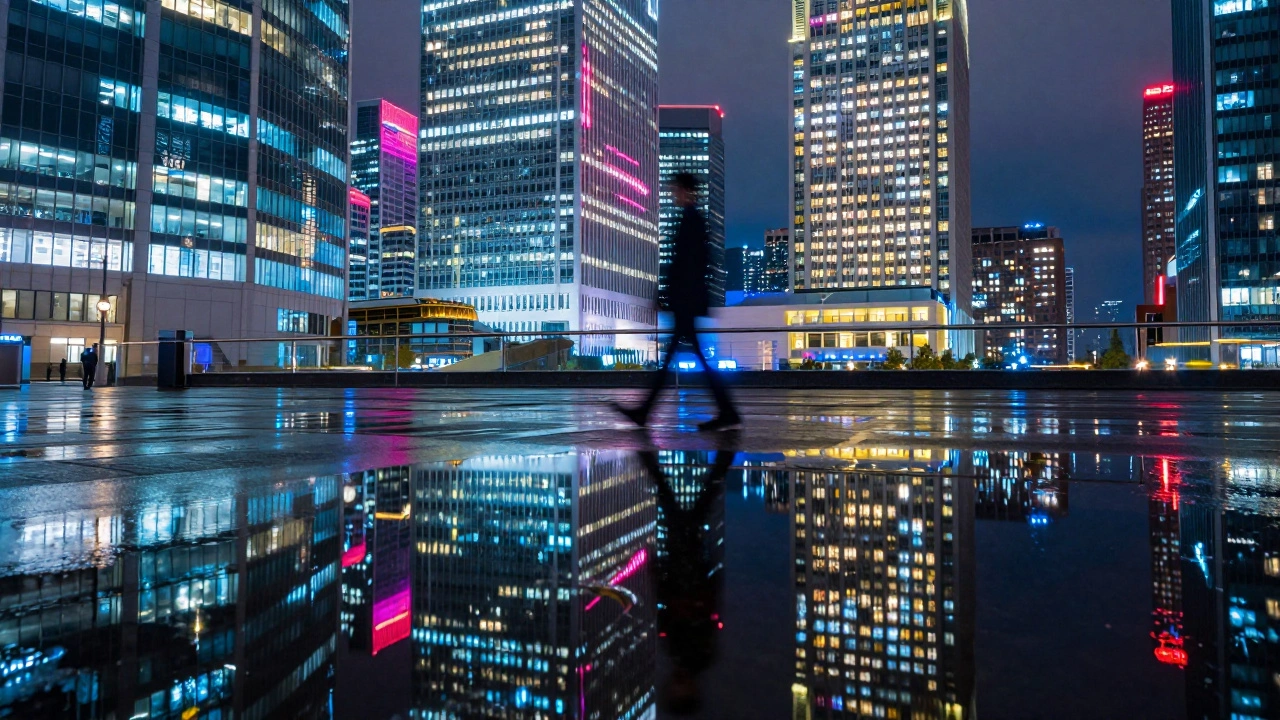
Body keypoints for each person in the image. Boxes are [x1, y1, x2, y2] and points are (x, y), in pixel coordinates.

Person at [613, 172, 740, 431]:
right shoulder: (693, 220)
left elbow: (687, 266)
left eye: (676, 189)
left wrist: (671, 299)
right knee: (684, 357)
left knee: (676, 358)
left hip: (685, 301)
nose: (674, 194)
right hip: (687, 301)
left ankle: (646, 412)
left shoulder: (691, 221)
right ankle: (725, 411)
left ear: (686, 191)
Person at [637, 444, 736, 715]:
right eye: (682, 691)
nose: (677, 685)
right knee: (675, 496)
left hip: (683, 563)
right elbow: (700, 607)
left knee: (688, 498)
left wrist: (657, 572)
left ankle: (726, 451)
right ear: (693, 690)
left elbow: (665, 605)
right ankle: (726, 450)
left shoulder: (677, 654)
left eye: (673, 690)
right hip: (689, 565)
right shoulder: (698, 655)